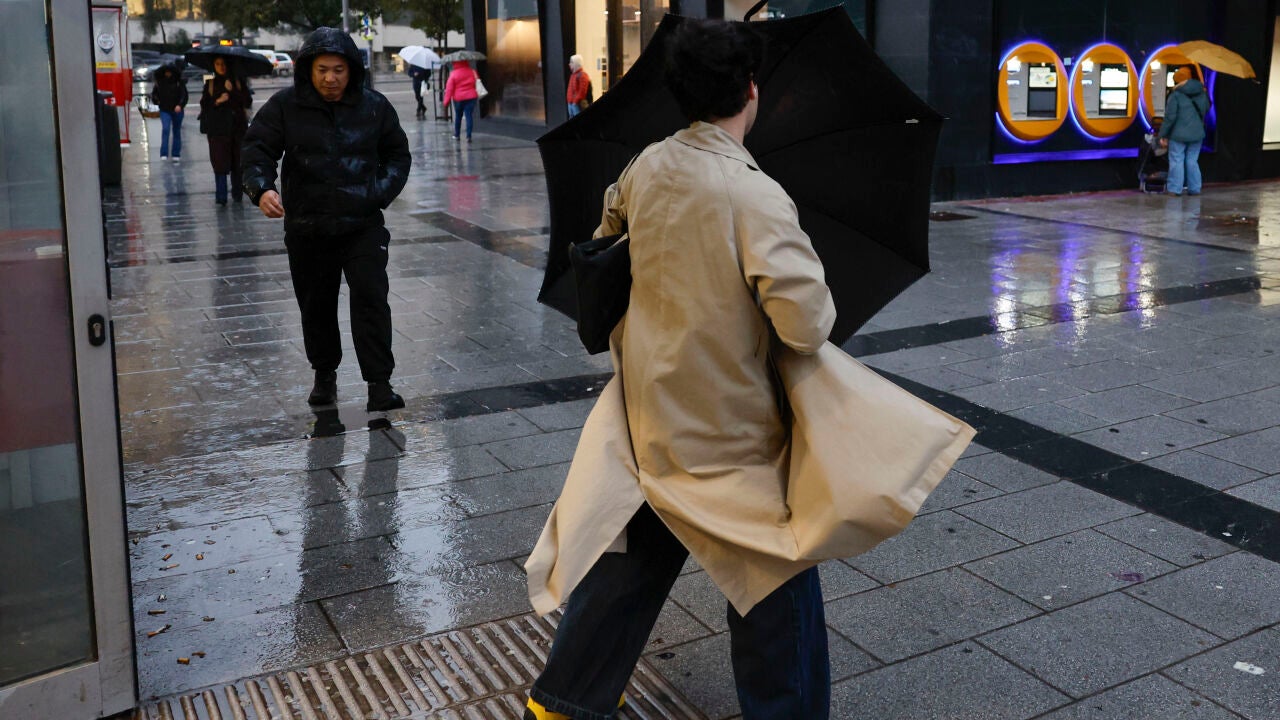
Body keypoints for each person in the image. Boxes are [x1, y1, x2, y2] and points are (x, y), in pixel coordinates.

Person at [523, 19, 836, 720]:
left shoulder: (644, 167)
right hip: (733, 440)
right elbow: (807, 324)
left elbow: (606, 251)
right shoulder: (756, 195)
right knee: (776, 589)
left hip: (647, 419)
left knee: (625, 570)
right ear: (751, 89)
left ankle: (563, 703)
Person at [241, 27, 412, 412]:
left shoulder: (374, 106)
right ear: (308, 70)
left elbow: (398, 156)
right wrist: (261, 188)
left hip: (362, 225)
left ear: (351, 70)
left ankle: (379, 384)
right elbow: (257, 149)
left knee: (370, 299)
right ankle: (324, 376)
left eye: (338, 70)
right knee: (316, 306)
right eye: (322, 70)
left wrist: (377, 193)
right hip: (308, 228)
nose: (330, 78)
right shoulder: (286, 106)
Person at [198, 57, 251, 205]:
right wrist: (218, 100)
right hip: (218, 131)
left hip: (238, 130)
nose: (221, 67)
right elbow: (205, 105)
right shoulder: (210, 83)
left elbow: (247, 102)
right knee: (220, 164)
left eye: (223, 64)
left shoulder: (238, 82)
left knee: (238, 163)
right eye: (217, 64)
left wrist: (232, 91)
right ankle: (221, 196)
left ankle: (237, 194)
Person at [1159, 66, 1211, 196]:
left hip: (1178, 134)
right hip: (1197, 133)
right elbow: (1206, 109)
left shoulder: (1175, 95)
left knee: (1177, 160)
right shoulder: (1202, 91)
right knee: (1192, 160)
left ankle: (1175, 189)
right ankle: (1194, 188)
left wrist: (1163, 134)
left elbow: (1170, 117)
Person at [151, 62, 188, 162]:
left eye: (169, 72)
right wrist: (157, 101)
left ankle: (176, 153)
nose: (167, 74)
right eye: (166, 72)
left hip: (177, 110)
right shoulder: (160, 83)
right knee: (166, 129)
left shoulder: (179, 82)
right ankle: (164, 153)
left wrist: (180, 105)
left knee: (176, 131)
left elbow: (184, 95)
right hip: (164, 109)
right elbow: (154, 95)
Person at [442, 60, 479, 142]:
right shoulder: (472, 71)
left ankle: (457, 135)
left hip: (458, 98)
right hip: (471, 97)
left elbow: (449, 89)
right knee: (469, 116)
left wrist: (446, 102)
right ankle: (469, 136)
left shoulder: (454, 74)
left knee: (458, 116)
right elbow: (476, 82)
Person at [566, 54, 591, 118]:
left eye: (572, 62)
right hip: (571, 103)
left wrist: (575, 101)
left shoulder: (582, 75)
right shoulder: (573, 75)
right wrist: (569, 100)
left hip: (577, 104)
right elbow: (570, 89)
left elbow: (582, 91)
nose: (569, 64)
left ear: (576, 63)